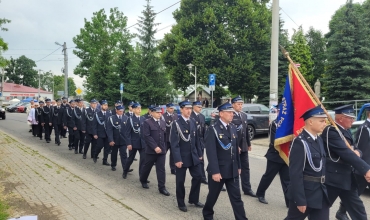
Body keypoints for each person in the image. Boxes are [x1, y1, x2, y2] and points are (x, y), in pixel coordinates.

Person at [321, 104, 370, 220]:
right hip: (332, 179)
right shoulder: (331, 131)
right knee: (319, 210)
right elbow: (345, 153)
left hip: (347, 178)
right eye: (350, 117)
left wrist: (358, 152)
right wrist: (366, 169)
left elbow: (356, 148)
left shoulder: (346, 131)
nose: (353, 120)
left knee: (358, 210)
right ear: (341, 118)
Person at [202, 102, 247, 220]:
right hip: (219, 171)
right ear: (221, 114)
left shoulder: (232, 127)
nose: (232, 114)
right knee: (213, 196)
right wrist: (215, 171)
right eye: (229, 112)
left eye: (232, 112)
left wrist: (238, 165)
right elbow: (211, 153)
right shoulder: (213, 129)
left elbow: (235, 149)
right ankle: (207, 214)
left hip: (232, 170)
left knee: (236, 197)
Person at [285, 105, 329, 220]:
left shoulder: (318, 139)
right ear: (310, 122)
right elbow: (295, 173)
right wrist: (300, 200)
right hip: (305, 193)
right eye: (321, 121)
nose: (325, 124)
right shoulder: (300, 142)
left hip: (320, 192)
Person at [170, 100, 203, 212]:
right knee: (180, 181)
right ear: (181, 109)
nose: (189, 111)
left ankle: (193, 199)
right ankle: (181, 202)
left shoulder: (193, 121)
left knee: (198, 176)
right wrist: (177, 159)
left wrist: (199, 154)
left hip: (193, 156)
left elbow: (197, 140)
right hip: (182, 157)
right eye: (187, 109)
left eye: (190, 109)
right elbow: (174, 144)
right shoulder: (176, 124)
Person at [256, 104, 289, 206]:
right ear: (278, 112)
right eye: (280, 111)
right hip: (275, 156)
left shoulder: (289, 124)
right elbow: (274, 141)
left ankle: (289, 201)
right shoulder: (274, 124)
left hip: (286, 156)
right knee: (268, 177)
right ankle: (260, 194)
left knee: (287, 180)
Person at [140, 106, 170, 196]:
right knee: (147, 166)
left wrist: (164, 147)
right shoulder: (147, 122)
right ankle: (143, 180)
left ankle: (162, 187)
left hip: (161, 150)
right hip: (151, 151)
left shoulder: (163, 122)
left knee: (161, 169)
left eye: (160, 112)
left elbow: (164, 135)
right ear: (152, 113)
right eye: (157, 113)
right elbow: (147, 136)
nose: (159, 114)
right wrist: (155, 147)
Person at [230, 95, 255, 197]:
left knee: (245, 168)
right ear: (233, 105)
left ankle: (247, 189)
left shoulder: (244, 115)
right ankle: (231, 187)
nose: (240, 106)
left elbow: (245, 131)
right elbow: (230, 133)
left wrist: (248, 144)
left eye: (241, 104)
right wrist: (235, 145)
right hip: (234, 147)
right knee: (233, 167)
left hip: (243, 146)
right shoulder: (230, 115)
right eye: (238, 104)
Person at [123, 102, 145, 179]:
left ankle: (142, 177)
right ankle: (125, 171)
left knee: (143, 161)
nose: (139, 110)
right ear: (134, 109)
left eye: (140, 108)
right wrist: (128, 143)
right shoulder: (130, 119)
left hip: (142, 143)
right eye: (138, 108)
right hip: (133, 143)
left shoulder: (143, 119)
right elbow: (127, 133)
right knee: (130, 159)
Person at [106, 105, 129, 172]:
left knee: (124, 154)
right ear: (116, 110)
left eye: (122, 111)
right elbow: (109, 130)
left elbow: (127, 130)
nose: (121, 112)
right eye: (120, 111)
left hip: (123, 140)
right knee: (114, 153)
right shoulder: (111, 118)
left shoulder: (126, 118)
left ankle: (125, 168)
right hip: (115, 140)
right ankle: (113, 165)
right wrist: (111, 140)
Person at [190, 101, 207, 184]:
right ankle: (197, 176)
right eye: (198, 107)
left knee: (201, 159)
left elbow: (204, 130)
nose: (200, 108)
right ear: (194, 107)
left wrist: (204, 141)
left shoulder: (202, 117)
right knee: (195, 159)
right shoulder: (190, 116)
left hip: (200, 141)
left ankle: (202, 177)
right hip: (192, 140)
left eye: (201, 107)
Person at [93, 99, 111, 166]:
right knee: (99, 146)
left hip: (107, 134)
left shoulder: (109, 114)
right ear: (101, 106)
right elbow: (94, 125)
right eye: (104, 105)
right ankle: (95, 155)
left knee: (107, 148)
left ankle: (105, 160)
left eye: (106, 105)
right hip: (100, 133)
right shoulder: (97, 114)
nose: (106, 106)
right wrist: (95, 133)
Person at [162, 103, 178, 175]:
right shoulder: (163, 116)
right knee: (163, 153)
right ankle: (161, 167)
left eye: (173, 108)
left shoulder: (175, 115)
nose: (172, 109)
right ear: (167, 108)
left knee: (173, 154)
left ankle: (173, 168)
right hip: (165, 138)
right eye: (171, 108)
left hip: (173, 139)